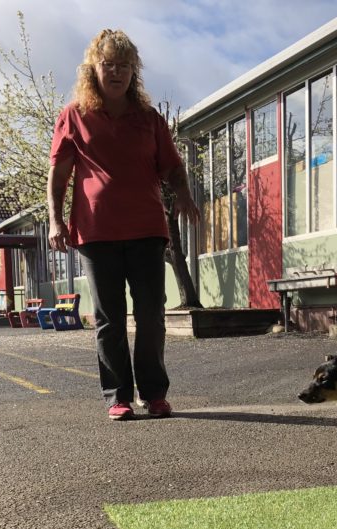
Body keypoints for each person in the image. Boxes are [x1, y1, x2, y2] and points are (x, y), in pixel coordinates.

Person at [47, 29, 201, 421]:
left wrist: (183, 193)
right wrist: (55, 220)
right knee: (109, 319)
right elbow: (59, 175)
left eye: (124, 66)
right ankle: (118, 396)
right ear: (93, 70)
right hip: (95, 233)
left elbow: (172, 166)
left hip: (147, 229)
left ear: (135, 72)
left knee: (151, 313)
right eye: (108, 64)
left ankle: (155, 393)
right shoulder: (74, 116)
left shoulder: (148, 119)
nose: (116, 72)